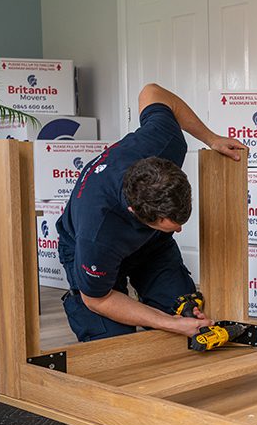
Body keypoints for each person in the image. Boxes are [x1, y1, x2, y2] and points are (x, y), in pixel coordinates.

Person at [56, 84, 247, 342]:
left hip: (150, 245)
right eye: (172, 226)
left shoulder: (164, 141)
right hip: (96, 254)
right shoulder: (96, 233)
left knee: (187, 311)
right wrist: (170, 324)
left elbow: (152, 91)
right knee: (116, 348)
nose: (179, 230)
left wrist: (211, 138)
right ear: (137, 212)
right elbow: (98, 300)